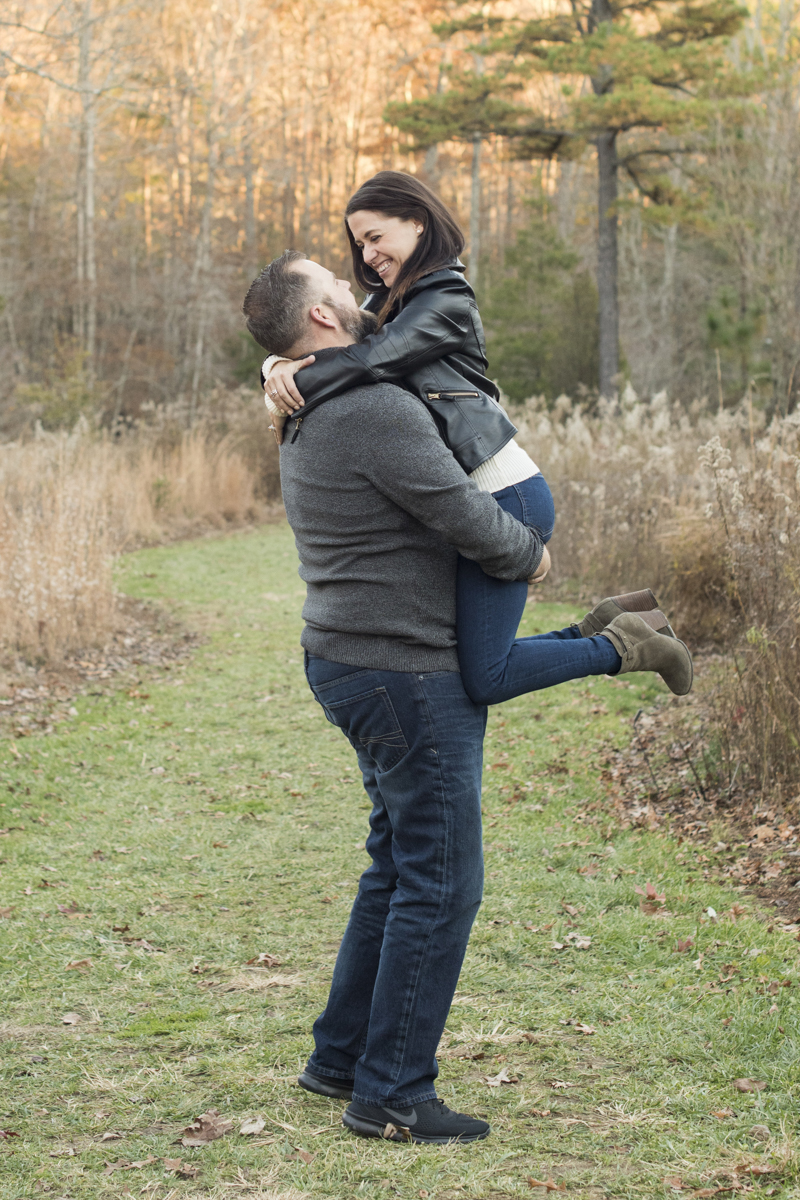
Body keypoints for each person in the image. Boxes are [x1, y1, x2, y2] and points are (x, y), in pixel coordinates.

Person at [240, 254, 691, 1146]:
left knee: (398, 865)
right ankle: (393, 1095)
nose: (355, 286)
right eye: (338, 283)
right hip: (403, 675)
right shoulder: (367, 408)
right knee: (440, 882)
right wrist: (530, 555)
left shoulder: (312, 403)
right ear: (323, 321)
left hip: (350, 660)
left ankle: (341, 1058)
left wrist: (275, 369)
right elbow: (460, 510)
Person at [256, 172, 692, 705]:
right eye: (358, 242)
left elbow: (370, 357)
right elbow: (329, 338)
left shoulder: (445, 296)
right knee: (480, 661)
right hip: (478, 492)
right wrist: (274, 362)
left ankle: (628, 647)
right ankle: (611, 624)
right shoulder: (392, 302)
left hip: (507, 493)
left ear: (417, 222)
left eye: (375, 237)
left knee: (487, 676)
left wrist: (290, 379)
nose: (366, 255)